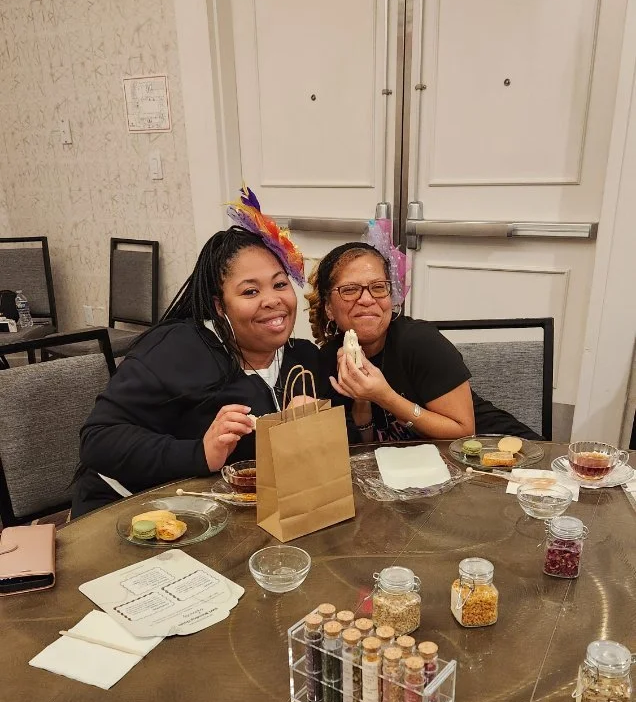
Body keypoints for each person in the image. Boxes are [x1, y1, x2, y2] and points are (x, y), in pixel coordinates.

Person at [72, 187, 317, 517]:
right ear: (220, 306)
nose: (272, 300)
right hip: (133, 512)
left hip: (231, 516)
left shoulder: (300, 359)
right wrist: (200, 452)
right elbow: (97, 441)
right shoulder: (174, 350)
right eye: (250, 291)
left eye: (280, 284)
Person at [307, 221, 540, 444]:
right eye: (350, 290)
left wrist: (385, 397)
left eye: (378, 287)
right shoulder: (330, 360)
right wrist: (362, 401)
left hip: (502, 454)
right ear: (329, 306)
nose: (367, 299)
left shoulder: (418, 342)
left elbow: (464, 431)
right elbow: (368, 448)